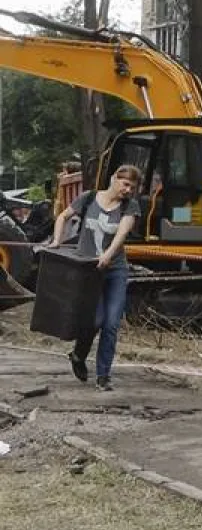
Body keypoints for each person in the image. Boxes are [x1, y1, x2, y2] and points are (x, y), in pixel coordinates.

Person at [45, 165, 143, 391]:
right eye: (125, 184)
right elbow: (63, 216)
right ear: (113, 179)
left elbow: (122, 233)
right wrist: (57, 240)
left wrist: (108, 255)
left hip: (115, 271)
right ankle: (78, 355)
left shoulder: (130, 206)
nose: (128, 190)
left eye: (132, 187)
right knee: (94, 320)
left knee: (110, 324)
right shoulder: (88, 198)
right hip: (88, 270)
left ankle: (103, 376)